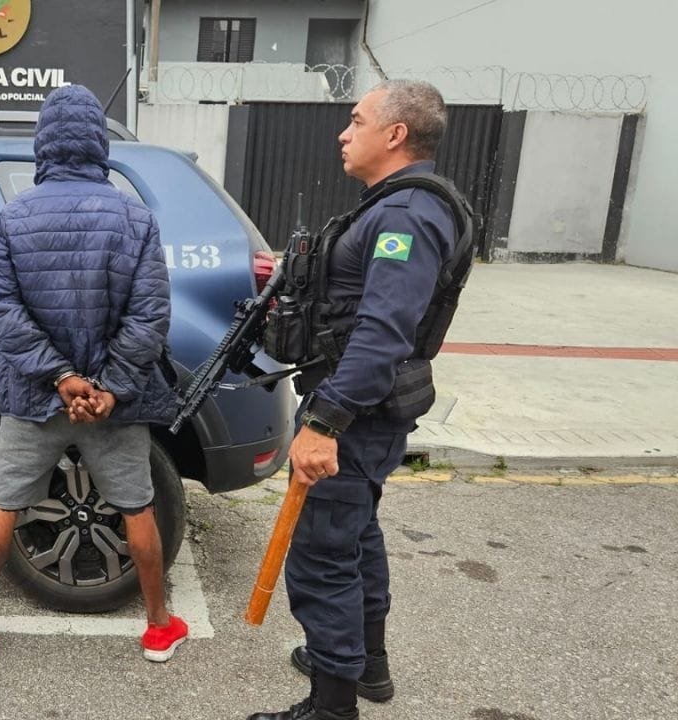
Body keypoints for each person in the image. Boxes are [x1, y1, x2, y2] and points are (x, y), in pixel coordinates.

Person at [0, 84, 188, 663]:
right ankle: (157, 628)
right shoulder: (135, 218)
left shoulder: (10, 219)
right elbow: (150, 314)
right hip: (114, 405)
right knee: (137, 507)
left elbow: (0, 311)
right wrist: (109, 388)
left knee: (3, 503)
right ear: (100, 145)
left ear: (43, 144)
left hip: (34, 399)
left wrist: (59, 378)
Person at [249, 80, 472, 720]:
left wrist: (322, 422)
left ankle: (332, 704)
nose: (344, 134)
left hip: (352, 414)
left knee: (322, 555)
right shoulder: (396, 206)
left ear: (395, 133)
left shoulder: (406, 215)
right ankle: (362, 665)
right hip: (363, 409)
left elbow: (381, 331)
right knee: (353, 538)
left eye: (356, 120)